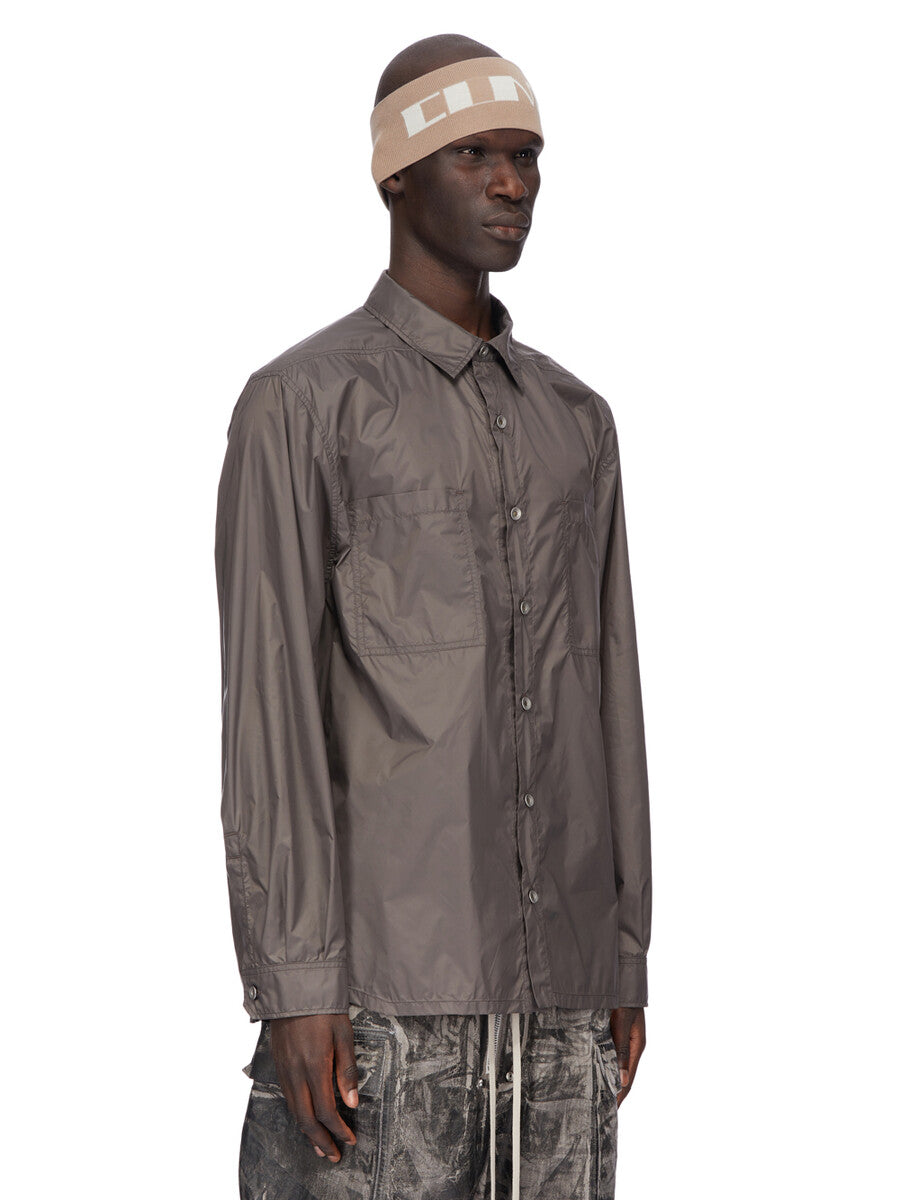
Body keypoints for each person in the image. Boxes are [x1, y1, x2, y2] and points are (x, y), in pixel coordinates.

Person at [214, 31, 653, 1200]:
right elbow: (270, 708)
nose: (511, 184)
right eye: (475, 155)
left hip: (561, 1009)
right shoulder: (303, 405)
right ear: (396, 176)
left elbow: (610, 692)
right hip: (380, 1012)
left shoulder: (579, 421)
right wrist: (297, 982)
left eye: (527, 156)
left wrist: (622, 954)